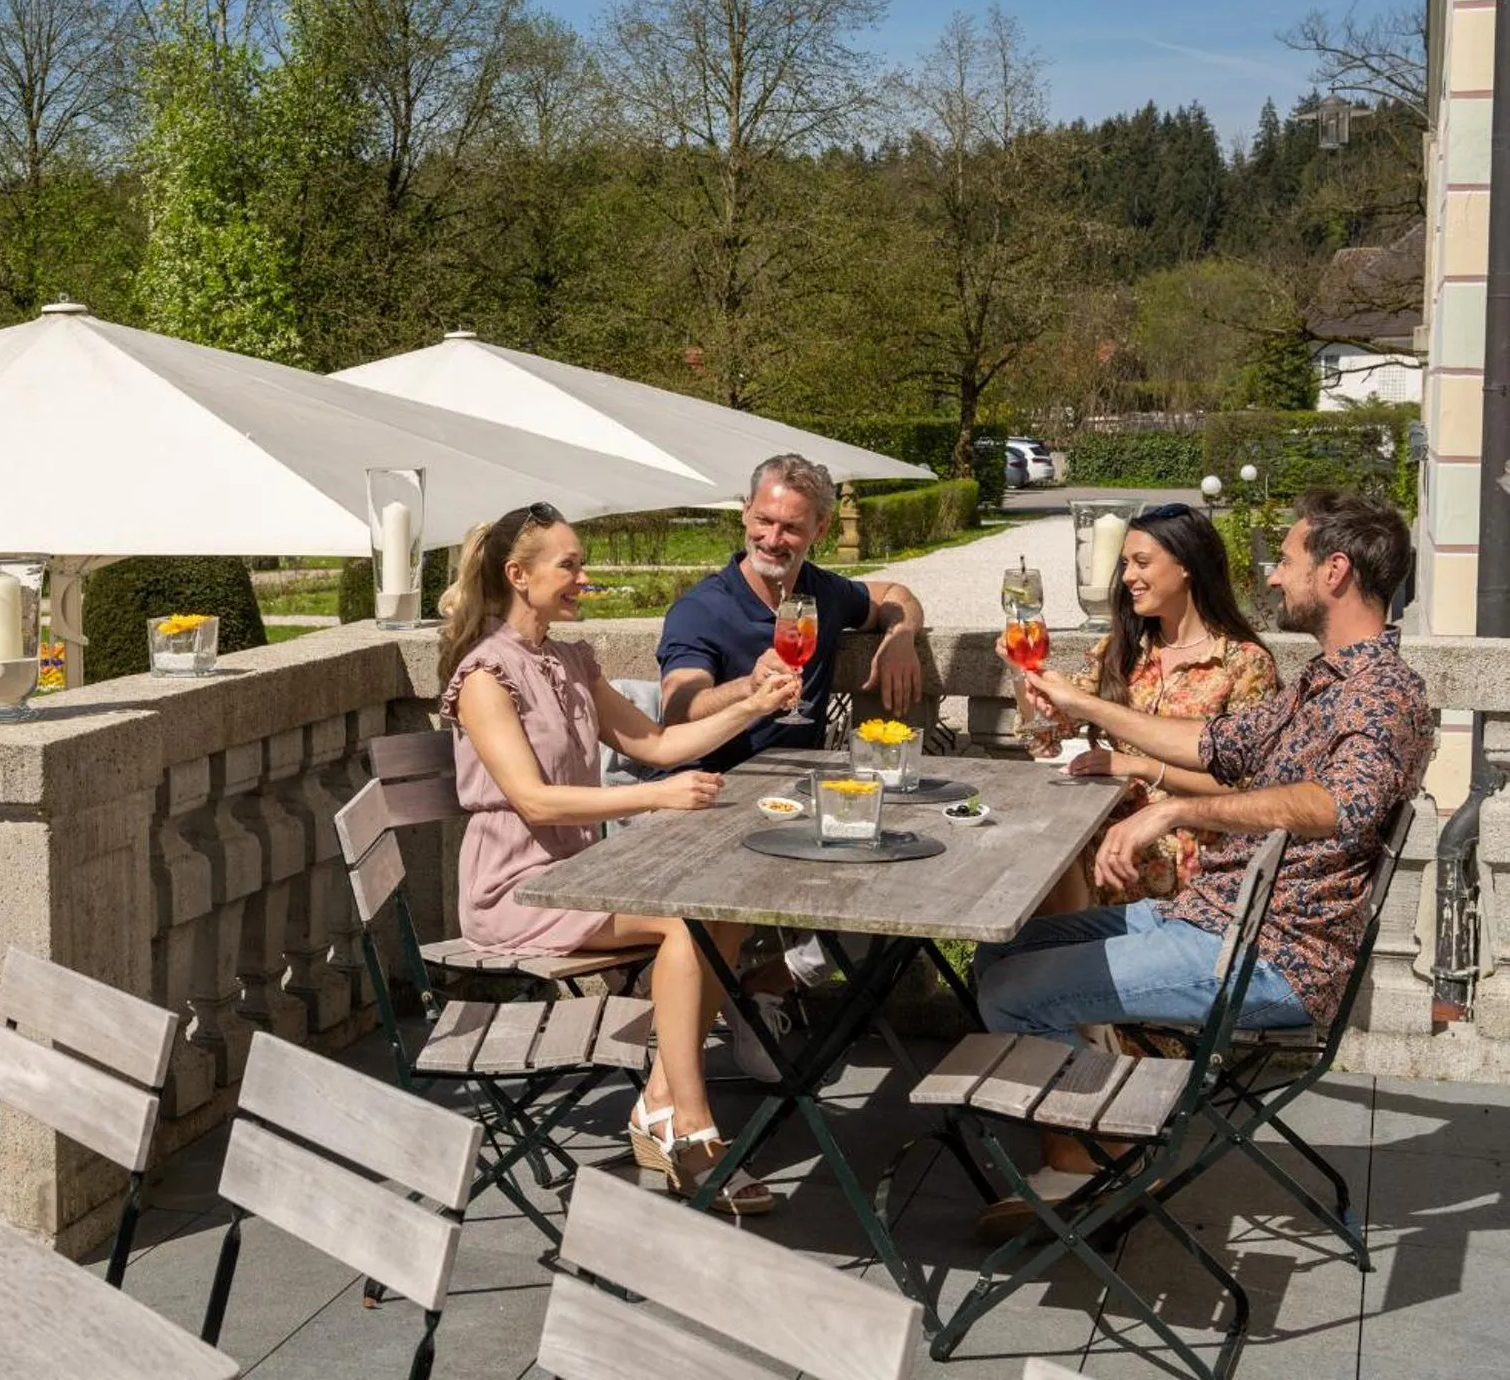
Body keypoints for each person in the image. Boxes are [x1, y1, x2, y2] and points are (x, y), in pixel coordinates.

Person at [973, 491, 1430, 1236]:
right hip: (1208, 920)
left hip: (1268, 954)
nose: (1274, 578)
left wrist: (1178, 808)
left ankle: (1109, 1154)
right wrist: (1075, 702)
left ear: (1336, 571)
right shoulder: (1323, 682)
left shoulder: (1381, 694)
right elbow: (1206, 745)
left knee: (1017, 992)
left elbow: (1340, 804)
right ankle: (1101, 1136)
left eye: (1286, 561)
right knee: (999, 951)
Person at [439, 501, 803, 1216]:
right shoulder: (487, 675)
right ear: (519, 575)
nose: (583, 576)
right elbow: (535, 802)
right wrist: (658, 799)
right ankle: (691, 1130)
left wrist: (755, 705)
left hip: (579, 878)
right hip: (516, 890)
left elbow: (657, 744)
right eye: (569, 565)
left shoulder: (570, 659)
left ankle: (659, 1102)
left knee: (718, 912)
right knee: (681, 925)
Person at [654, 454, 929, 1054]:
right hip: (713, 803)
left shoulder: (820, 594)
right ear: (746, 512)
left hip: (792, 801)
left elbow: (894, 593)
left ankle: (761, 987)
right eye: (765, 520)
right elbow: (679, 707)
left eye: (791, 528)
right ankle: (722, 1025)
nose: (773, 538)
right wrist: (747, 689)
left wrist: (901, 636)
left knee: (902, 896)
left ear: (819, 533)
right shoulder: (702, 608)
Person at [1030, 503, 1278, 913]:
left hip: (1188, 848)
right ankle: (1049, 959)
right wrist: (1028, 676)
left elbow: (1249, 789)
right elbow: (1044, 740)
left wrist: (1144, 768)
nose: (1127, 576)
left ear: (1186, 567)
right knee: (1034, 847)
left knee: (1052, 861)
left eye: (1142, 562)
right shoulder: (1122, 650)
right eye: (1126, 563)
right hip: (1107, 825)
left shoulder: (1243, 663)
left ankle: (1058, 960)